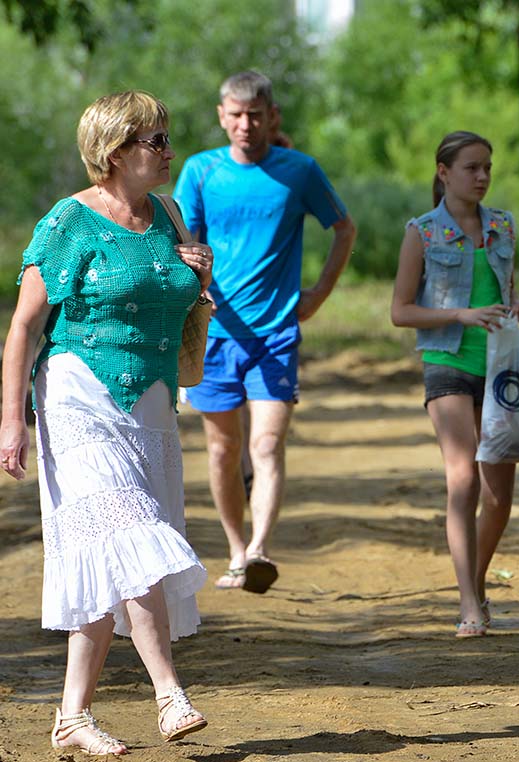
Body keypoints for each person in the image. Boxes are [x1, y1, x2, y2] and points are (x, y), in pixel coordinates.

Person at [0, 91, 211, 753]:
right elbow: (24, 328)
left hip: (150, 401)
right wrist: (12, 421)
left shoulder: (169, 217)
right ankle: (170, 693)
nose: (168, 151)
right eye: (155, 140)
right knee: (130, 531)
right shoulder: (68, 223)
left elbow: (189, 309)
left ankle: (72, 716)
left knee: (106, 551)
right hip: (76, 395)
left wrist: (200, 276)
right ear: (115, 152)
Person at [174, 71, 357, 593]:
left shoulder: (299, 171)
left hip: (275, 332)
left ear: (271, 116)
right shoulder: (200, 171)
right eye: (234, 114)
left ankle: (259, 550)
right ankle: (235, 550)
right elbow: (182, 238)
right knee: (221, 451)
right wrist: (192, 273)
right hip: (213, 333)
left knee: (268, 443)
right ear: (220, 115)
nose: (244, 125)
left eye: (254, 115)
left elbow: (344, 228)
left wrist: (318, 294)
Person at [390, 131, 519, 638]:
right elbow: (400, 311)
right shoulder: (422, 232)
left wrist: (517, 309)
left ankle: (475, 581)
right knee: (464, 477)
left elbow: (507, 291)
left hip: (502, 367)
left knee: (499, 494)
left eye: (487, 168)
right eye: (471, 167)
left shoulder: (502, 225)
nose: (481, 176)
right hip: (446, 360)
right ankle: (469, 602)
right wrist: (462, 314)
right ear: (443, 171)